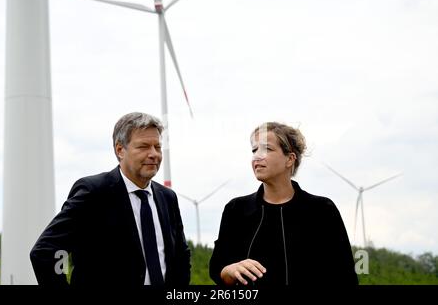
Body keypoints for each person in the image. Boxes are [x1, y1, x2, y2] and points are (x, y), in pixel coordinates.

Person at [30, 112, 191, 286]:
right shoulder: (93, 193)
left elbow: (181, 257)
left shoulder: (168, 198)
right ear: (120, 150)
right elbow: (46, 251)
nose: (154, 154)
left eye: (157, 147)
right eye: (143, 147)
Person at [209, 122, 358, 286]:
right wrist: (230, 270)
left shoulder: (322, 210)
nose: (257, 156)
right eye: (254, 150)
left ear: (290, 159)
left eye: (267, 149)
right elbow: (218, 269)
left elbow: (346, 276)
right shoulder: (235, 209)